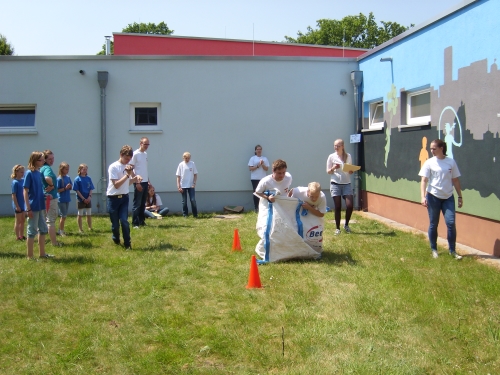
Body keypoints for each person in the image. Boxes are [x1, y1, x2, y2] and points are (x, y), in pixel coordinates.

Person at [419, 139, 463, 260]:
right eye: (431, 148)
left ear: (441, 148)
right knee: (434, 223)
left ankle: (452, 250)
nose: (431, 151)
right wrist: (423, 197)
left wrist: (460, 196)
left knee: (451, 223)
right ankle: (434, 249)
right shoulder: (429, 162)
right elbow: (424, 180)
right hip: (433, 196)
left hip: (448, 197)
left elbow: (455, 180)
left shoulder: (451, 162)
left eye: (434, 148)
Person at [106, 145, 142, 249]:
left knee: (124, 221)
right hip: (113, 198)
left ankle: (127, 244)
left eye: (129, 159)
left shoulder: (129, 167)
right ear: (121, 155)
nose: (128, 161)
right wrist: (127, 175)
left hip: (124, 198)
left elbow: (127, 183)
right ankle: (116, 237)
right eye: (126, 158)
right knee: (115, 224)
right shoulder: (113, 167)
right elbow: (116, 185)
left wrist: (135, 178)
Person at [23, 151, 53, 260]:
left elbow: (38, 189)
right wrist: (28, 208)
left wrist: (44, 195)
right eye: (41, 160)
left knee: (43, 229)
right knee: (32, 231)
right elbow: (25, 191)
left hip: (41, 205)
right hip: (33, 206)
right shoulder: (29, 173)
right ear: (34, 161)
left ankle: (42, 254)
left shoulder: (39, 172)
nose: (43, 161)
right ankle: (30, 256)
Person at [326, 139, 354, 235]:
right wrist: (334, 168)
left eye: (338, 146)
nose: (336, 148)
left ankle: (346, 225)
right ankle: (337, 228)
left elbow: (350, 169)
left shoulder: (348, 156)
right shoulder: (331, 156)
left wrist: (351, 171)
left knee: (350, 206)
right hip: (335, 184)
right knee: (338, 206)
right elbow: (328, 171)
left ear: (343, 146)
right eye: (335, 146)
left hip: (346, 183)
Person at [40, 150, 61, 247]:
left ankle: (42, 241)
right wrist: (52, 185)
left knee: (43, 219)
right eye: (49, 159)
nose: (52, 160)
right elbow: (47, 177)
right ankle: (54, 242)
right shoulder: (47, 168)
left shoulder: (41, 168)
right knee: (50, 220)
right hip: (50, 198)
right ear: (45, 159)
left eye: (53, 158)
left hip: (44, 197)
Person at [130, 137, 150, 228]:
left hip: (145, 181)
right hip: (138, 182)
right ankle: (135, 222)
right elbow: (130, 168)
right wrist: (136, 181)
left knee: (143, 203)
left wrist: (148, 181)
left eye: (148, 144)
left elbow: (144, 169)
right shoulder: (135, 154)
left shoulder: (145, 154)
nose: (147, 146)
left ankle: (142, 221)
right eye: (145, 144)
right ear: (140, 143)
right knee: (137, 203)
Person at [73, 164, 95, 233]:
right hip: (80, 199)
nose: (85, 171)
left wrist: (89, 197)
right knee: (80, 214)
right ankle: (80, 229)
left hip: (88, 198)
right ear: (80, 170)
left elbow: (91, 188)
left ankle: (90, 227)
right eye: (83, 169)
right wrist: (83, 199)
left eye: (86, 169)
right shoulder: (77, 179)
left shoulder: (89, 178)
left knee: (89, 213)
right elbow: (77, 190)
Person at [176, 152, 198, 218]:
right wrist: (178, 186)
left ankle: (195, 214)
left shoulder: (192, 164)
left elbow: (195, 174)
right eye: (186, 158)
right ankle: (185, 214)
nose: (187, 159)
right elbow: (178, 176)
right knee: (184, 201)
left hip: (191, 185)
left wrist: (194, 183)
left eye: (188, 158)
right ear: (183, 158)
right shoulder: (181, 165)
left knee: (193, 200)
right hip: (183, 185)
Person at [248, 145, 269, 212]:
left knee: (263, 193)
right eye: (257, 149)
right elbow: (250, 168)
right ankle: (256, 208)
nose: (259, 150)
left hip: (263, 179)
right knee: (256, 193)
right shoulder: (252, 158)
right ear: (255, 150)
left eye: (260, 149)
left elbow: (266, 169)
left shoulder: (265, 158)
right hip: (254, 178)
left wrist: (262, 164)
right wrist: (258, 165)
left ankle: (262, 207)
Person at [56, 162, 72, 236]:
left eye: (68, 169)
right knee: (63, 215)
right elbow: (57, 190)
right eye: (66, 169)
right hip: (61, 199)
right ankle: (61, 231)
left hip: (67, 198)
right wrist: (65, 188)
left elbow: (71, 186)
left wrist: (69, 186)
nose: (67, 170)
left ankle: (60, 229)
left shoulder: (68, 177)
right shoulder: (59, 179)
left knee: (64, 215)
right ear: (62, 169)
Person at [11, 164, 26, 241]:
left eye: (23, 172)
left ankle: (22, 235)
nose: (22, 173)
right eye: (21, 172)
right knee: (18, 220)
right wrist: (17, 206)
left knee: (23, 220)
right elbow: (13, 195)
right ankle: (17, 237)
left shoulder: (23, 180)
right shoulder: (15, 182)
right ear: (16, 172)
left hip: (23, 203)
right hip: (18, 204)